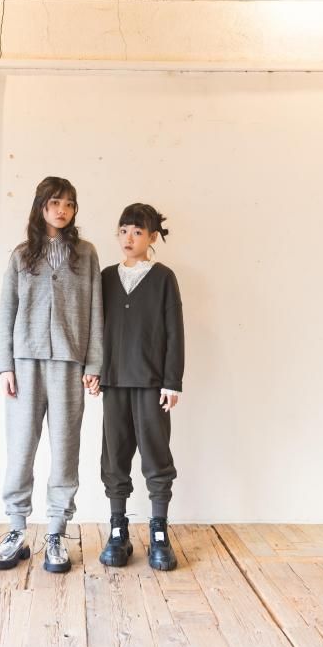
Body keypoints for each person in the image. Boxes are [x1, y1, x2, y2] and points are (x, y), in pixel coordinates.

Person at [0, 176, 102, 574]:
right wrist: (4, 365)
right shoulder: (22, 255)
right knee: (21, 447)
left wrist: (94, 364)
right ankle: (16, 530)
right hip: (25, 364)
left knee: (65, 449)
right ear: (41, 207)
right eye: (55, 202)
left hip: (70, 363)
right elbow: (6, 310)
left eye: (69, 203)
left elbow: (96, 311)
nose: (62, 210)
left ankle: (56, 532)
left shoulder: (86, 254)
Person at [99, 203, 184, 571]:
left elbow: (174, 331)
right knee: (114, 455)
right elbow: (95, 328)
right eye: (123, 231)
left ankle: (159, 530)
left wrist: (172, 382)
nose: (129, 238)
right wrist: (93, 370)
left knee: (156, 454)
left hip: (151, 383)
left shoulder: (163, 278)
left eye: (137, 231)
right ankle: (118, 530)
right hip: (114, 381)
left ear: (152, 237)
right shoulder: (105, 277)